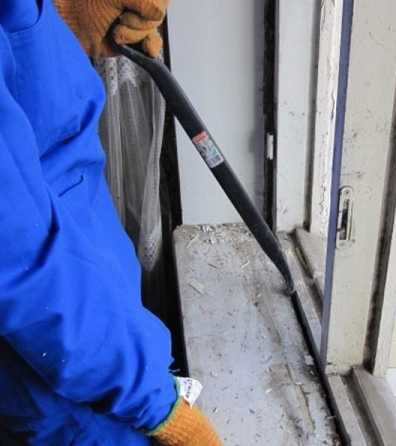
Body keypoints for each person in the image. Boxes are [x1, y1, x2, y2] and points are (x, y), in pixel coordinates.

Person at [0, 0, 221, 444]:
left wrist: (55, 16)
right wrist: (157, 405)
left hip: (98, 338)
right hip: (65, 389)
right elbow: (21, 265)